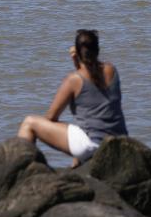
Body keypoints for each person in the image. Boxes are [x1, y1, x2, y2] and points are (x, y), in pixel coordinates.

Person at [17, 29, 127, 167]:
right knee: (82, 125)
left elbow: (51, 117)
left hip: (93, 146)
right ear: (97, 50)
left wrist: (77, 62)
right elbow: (91, 79)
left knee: (29, 123)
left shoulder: (73, 80)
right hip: (120, 143)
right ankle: (78, 161)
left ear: (78, 53)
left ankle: (21, 172)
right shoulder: (112, 69)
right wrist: (78, 62)